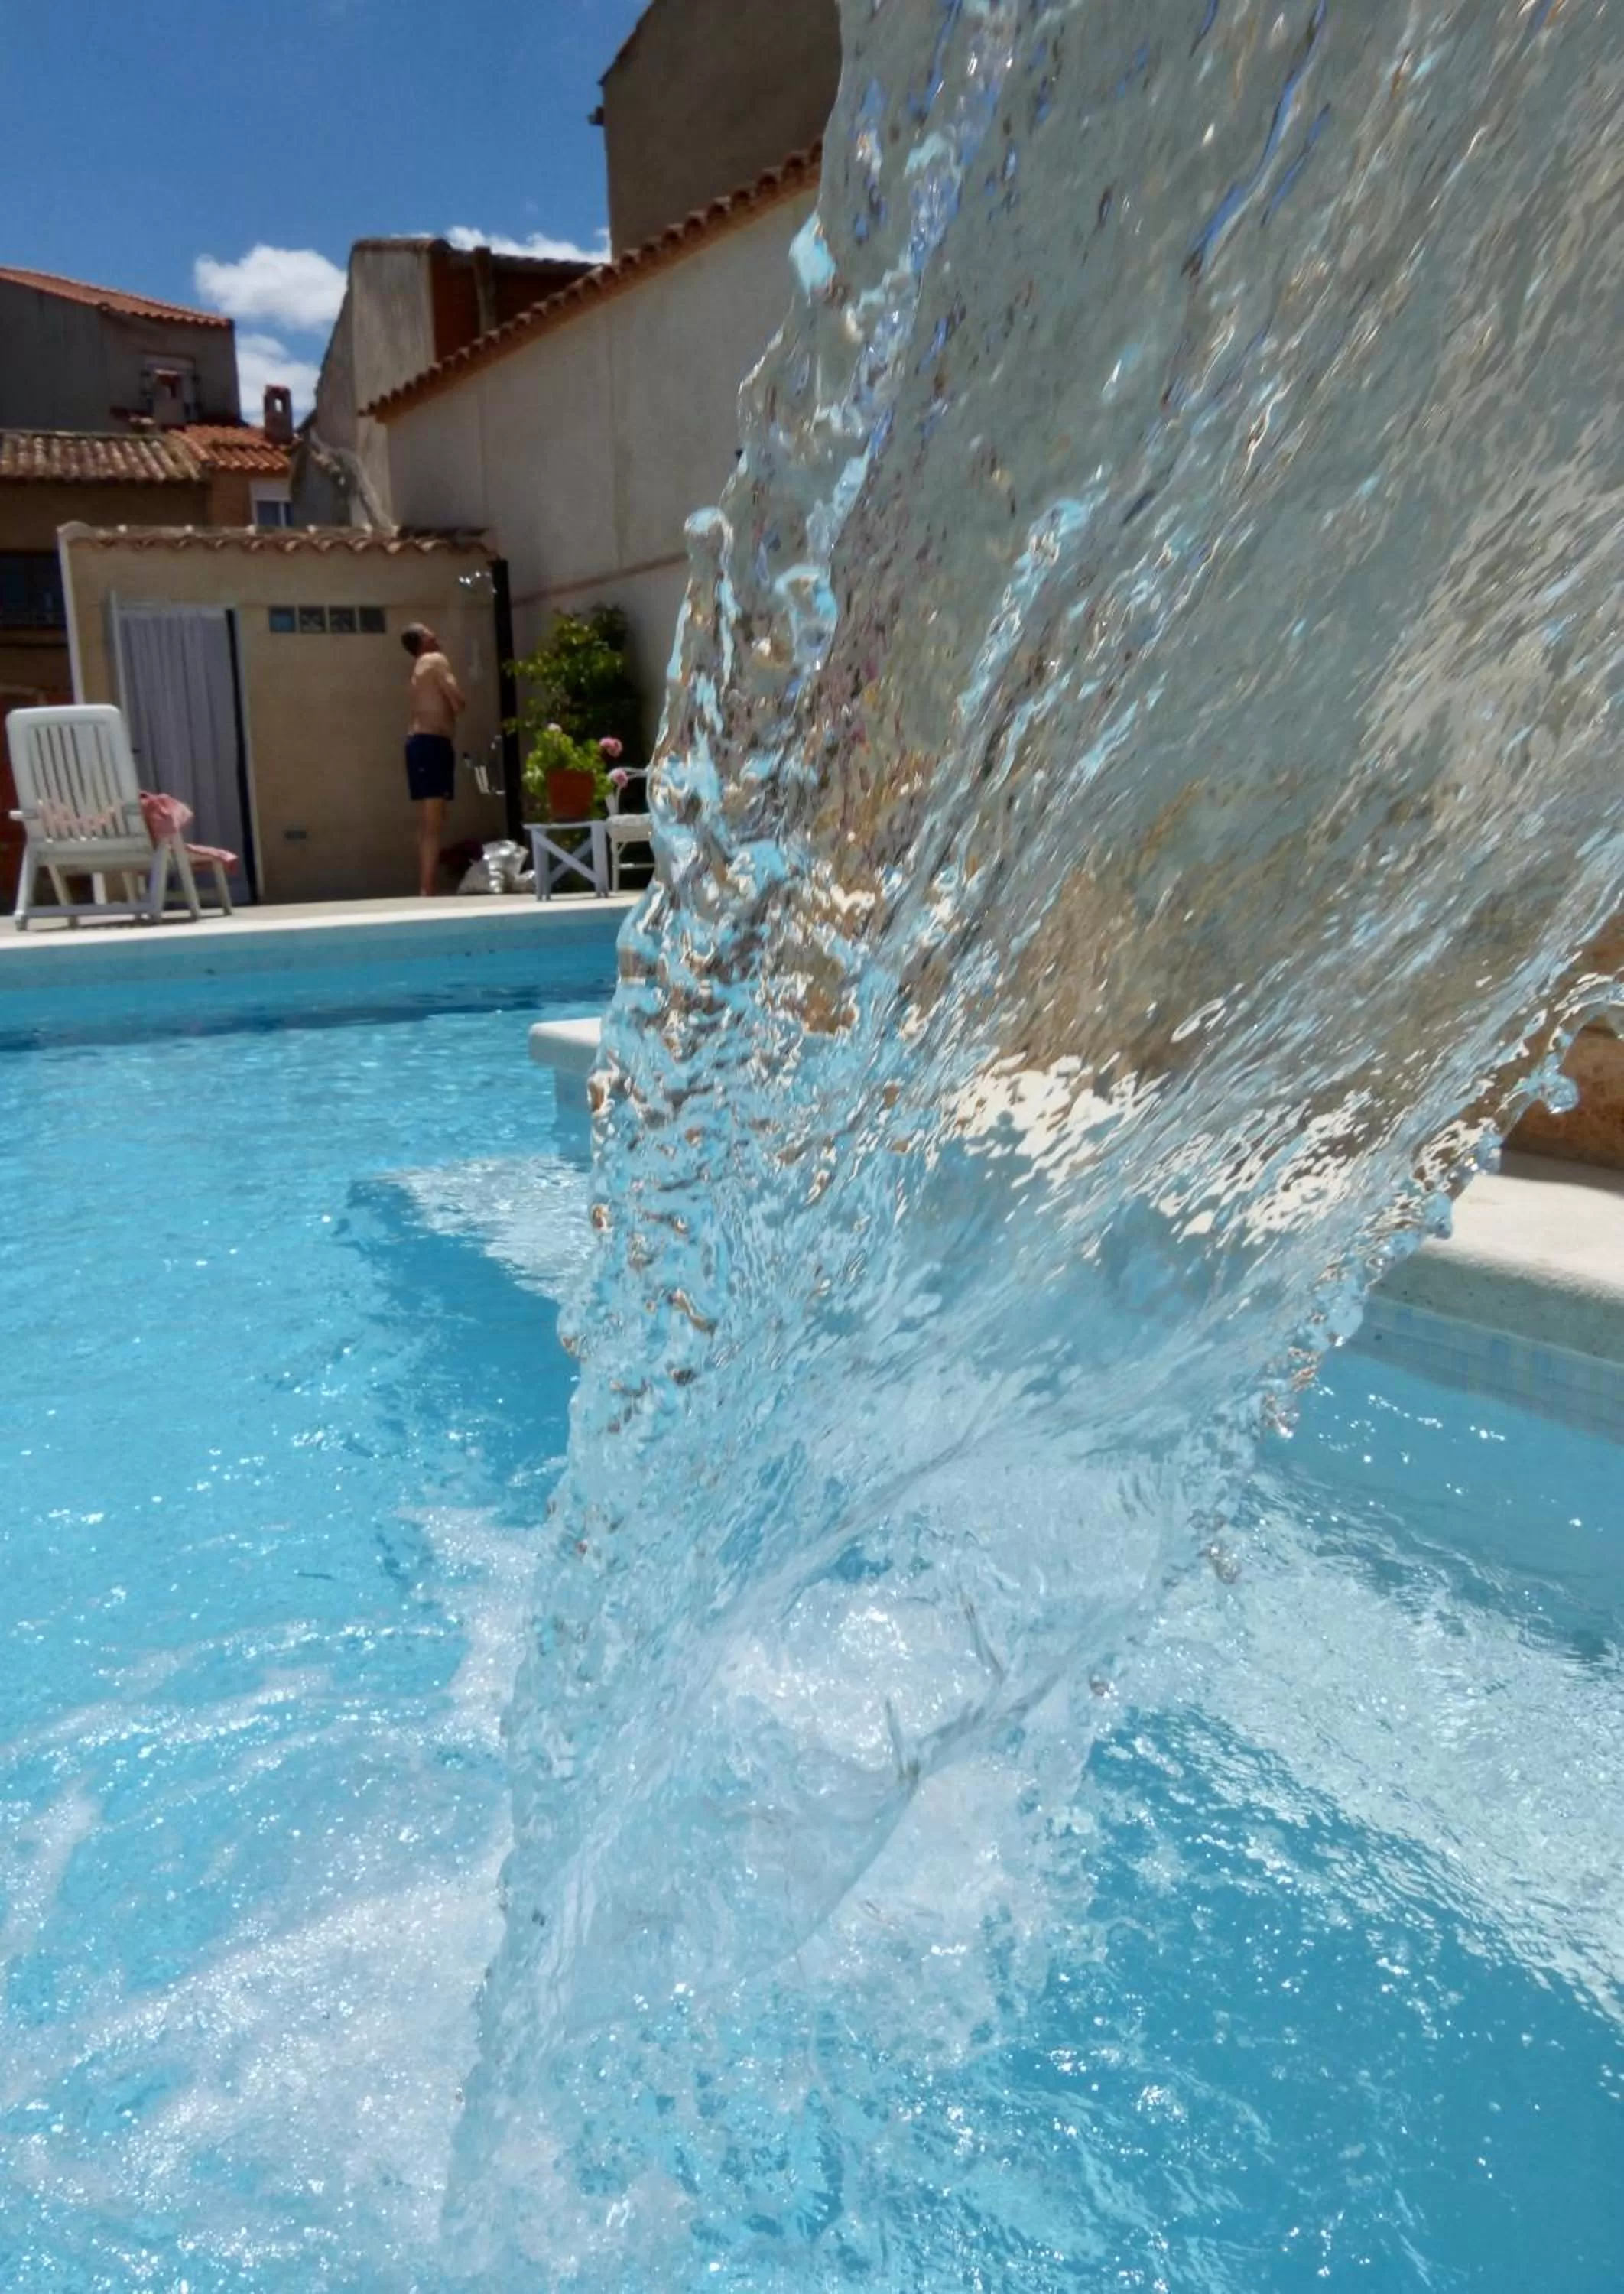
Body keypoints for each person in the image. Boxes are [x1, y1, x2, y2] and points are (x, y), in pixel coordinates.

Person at [401, 623, 466, 896]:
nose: (436, 636)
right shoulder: (435, 660)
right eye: (431, 633)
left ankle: (426, 885)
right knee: (433, 820)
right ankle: (427, 888)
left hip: (419, 744)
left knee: (431, 819)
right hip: (432, 743)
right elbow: (457, 701)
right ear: (423, 640)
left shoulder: (418, 667)